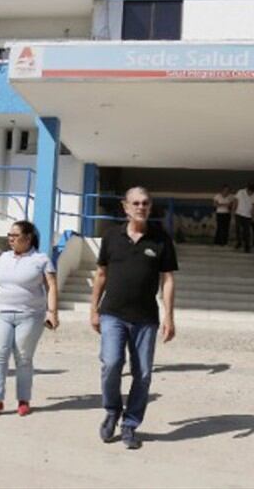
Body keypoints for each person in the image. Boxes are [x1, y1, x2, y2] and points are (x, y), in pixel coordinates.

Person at [90, 186, 178, 450]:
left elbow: (168, 280)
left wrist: (169, 316)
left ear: (150, 207)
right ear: (125, 207)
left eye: (146, 203)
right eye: (136, 203)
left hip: (146, 318)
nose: (141, 207)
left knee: (143, 374)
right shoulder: (111, 237)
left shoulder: (161, 239)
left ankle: (130, 424)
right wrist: (93, 308)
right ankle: (112, 410)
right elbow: (101, 274)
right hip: (113, 314)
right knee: (112, 363)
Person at [0, 220, 59, 417]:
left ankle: (23, 399)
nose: (10, 239)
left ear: (28, 238)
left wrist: (52, 312)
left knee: (23, 358)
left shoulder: (41, 259)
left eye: (15, 235)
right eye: (9, 235)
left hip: (29, 315)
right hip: (3, 313)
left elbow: (52, 286)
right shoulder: (3, 258)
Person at [233, 183, 254, 253]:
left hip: (248, 216)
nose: (251, 193)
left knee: (247, 232)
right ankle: (239, 242)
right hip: (239, 213)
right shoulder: (240, 192)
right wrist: (233, 210)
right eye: (250, 192)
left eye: (252, 192)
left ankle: (247, 247)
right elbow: (235, 201)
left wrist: (253, 216)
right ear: (247, 189)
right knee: (238, 229)